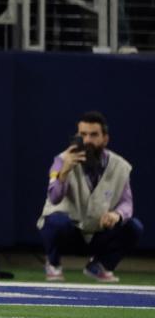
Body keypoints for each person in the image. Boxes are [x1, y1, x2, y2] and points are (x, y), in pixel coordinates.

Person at [38, 111, 142, 283]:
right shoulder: (61, 160)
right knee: (54, 221)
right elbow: (54, 198)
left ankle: (100, 266)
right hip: (70, 231)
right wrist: (64, 172)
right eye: (83, 134)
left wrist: (116, 215)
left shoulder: (120, 166)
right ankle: (53, 263)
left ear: (105, 139)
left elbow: (127, 203)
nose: (87, 140)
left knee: (133, 227)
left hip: (98, 232)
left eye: (93, 135)